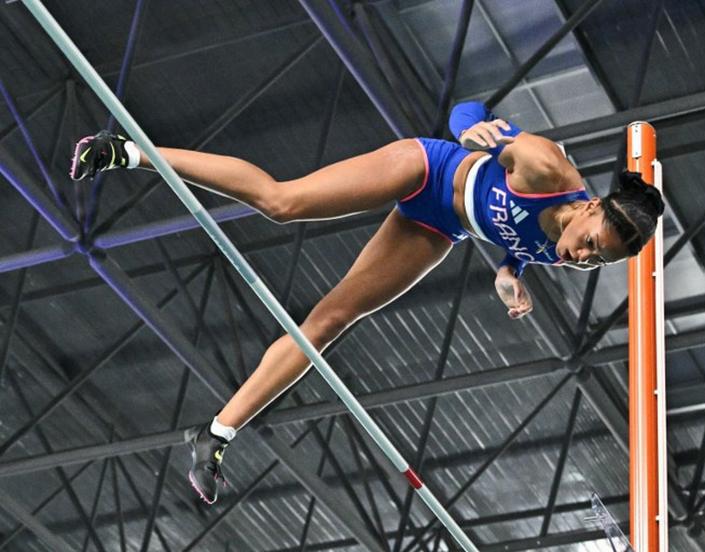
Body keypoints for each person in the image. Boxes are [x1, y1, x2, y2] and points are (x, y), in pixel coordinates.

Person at [70, 101, 664, 504]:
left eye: (597, 261)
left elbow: (521, 246)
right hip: (425, 170)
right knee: (283, 203)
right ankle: (126, 151)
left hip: (440, 230)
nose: (584, 258)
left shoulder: (567, 249)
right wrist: (470, 129)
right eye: (589, 245)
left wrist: (509, 274)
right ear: (589, 208)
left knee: (328, 322)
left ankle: (216, 434)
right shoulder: (545, 166)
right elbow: (468, 112)